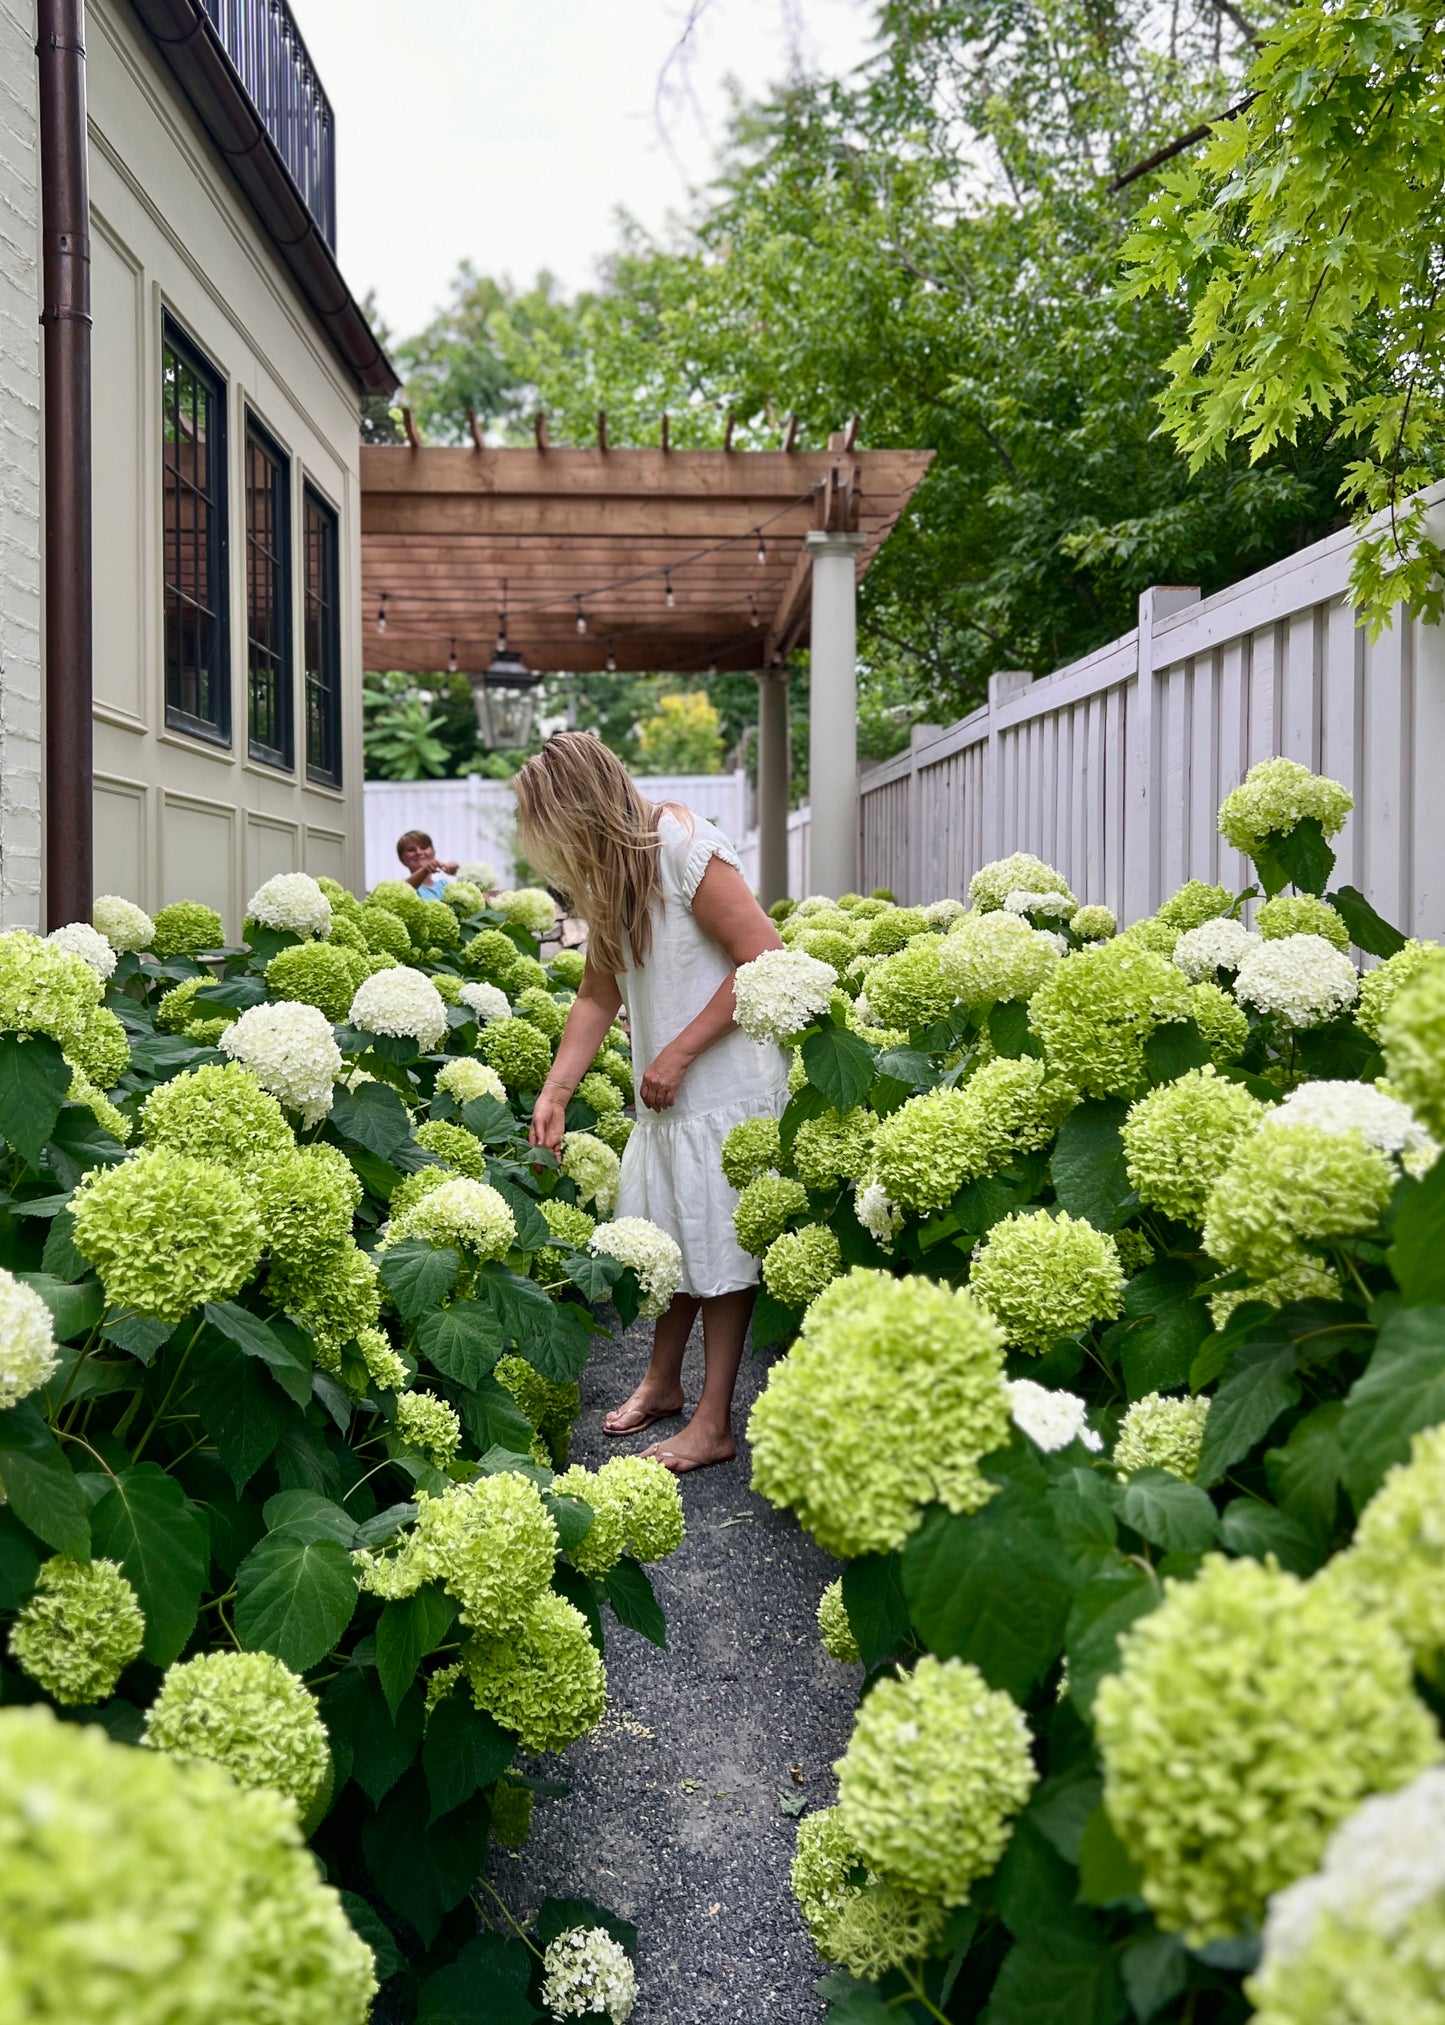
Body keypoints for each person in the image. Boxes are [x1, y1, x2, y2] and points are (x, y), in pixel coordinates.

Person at [515, 732, 787, 1474]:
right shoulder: (611, 871)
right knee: (672, 1241)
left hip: (725, 1091)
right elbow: (597, 993)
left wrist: (676, 1050)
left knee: (723, 1253)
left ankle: (712, 1420)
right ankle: (663, 1385)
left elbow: (765, 958)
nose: (547, 844)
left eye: (549, 823)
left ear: (579, 807)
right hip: (670, 1103)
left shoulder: (681, 843)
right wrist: (554, 1091)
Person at [396, 829, 458, 900]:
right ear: (401, 859)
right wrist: (425, 870)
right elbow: (404, 891)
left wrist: (460, 872)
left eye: (423, 847)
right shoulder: (400, 887)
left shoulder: (445, 886)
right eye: (411, 850)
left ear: (433, 852)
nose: (418, 852)